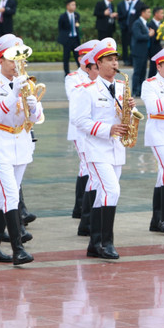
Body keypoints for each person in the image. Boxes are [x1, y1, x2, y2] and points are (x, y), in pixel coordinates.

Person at [0, 35, 41, 266]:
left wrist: (34, 108)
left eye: (19, 58)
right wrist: (14, 94)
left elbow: (36, 118)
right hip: (1, 144)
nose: (17, 63)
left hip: (21, 143)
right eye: (11, 59)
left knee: (3, 198)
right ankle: (18, 249)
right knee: (11, 195)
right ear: (1, 60)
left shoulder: (25, 81)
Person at [70, 38, 132, 259]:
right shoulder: (87, 89)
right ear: (98, 63)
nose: (115, 63)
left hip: (116, 148)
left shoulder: (122, 87)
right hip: (96, 148)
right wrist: (108, 129)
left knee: (103, 194)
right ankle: (106, 242)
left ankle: (95, 244)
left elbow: (121, 117)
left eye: (116, 59)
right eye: (109, 60)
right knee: (112, 190)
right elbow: (79, 121)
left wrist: (129, 111)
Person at [141, 45, 164, 234]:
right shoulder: (150, 84)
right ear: (159, 66)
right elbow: (154, 107)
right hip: (158, 131)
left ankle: (156, 220)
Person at [65, 40, 98, 225]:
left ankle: (80, 208)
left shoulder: (98, 76)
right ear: (81, 59)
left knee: (87, 166)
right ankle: (82, 209)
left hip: (96, 128)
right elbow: (76, 98)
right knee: (87, 165)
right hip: (79, 129)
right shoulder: (73, 78)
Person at [130, 4, 153, 96]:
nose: (149, 14)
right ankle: (135, 91)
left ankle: (140, 91)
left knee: (143, 72)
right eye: (148, 12)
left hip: (144, 51)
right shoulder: (137, 23)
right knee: (137, 72)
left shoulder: (145, 23)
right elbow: (138, 36)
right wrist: (149, 35)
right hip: (138, 52)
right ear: (142, 13)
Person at [57, 0, 82, 75]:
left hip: (75, 39)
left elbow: (78, 26)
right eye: (72, 5)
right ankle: (66, 73)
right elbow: (60, 28)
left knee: (78, 56)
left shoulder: (77, 15)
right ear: (67, 6)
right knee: (66, 57)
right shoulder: (63, 16)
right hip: (67, 39)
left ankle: (81, 72)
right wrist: (63, 38)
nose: (74, 6)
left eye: (75, 5)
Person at [117, 0, 135, 65]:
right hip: (124, 28)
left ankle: (132, 60)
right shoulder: (120, 5)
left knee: (132, 44)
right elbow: (119, 16)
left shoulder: (134, 3)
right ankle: (125, 60)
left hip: (133, 28)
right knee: (125, 45)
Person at [147, 7, 164, 78]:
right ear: (156, 14)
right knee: (153, 69)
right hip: (153, 50)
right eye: (161, 13)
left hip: (161, 49)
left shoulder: (163, 24)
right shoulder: (149, 24)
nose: (163, 15)